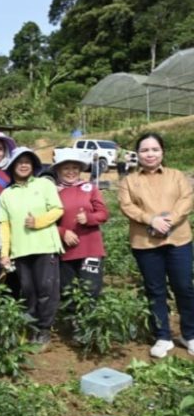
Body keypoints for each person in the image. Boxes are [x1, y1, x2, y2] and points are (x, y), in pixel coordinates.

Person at [118, 132, 194, 359]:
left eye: (154, 149)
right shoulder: (129, 181)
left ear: (162, 152)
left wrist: (170, 219)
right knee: (155, 289)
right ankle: (163, 336)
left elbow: (187, 199)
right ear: (137, 154)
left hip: (178, 239)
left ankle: (189, 334)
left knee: (184, 287)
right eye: (144, 150)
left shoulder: (176, 176)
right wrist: (151, 220)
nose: (150, 154)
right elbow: (126, 206)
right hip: (145, 243)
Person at [0, 147, 64, 347]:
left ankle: (44, 329)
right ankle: (34, 328)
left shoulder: (44, 184)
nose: (23, 165)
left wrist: (38, 222)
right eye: (19, 162)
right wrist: (4, 253)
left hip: (45, 246)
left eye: (27, 162)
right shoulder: (6, 194)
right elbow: (4, 225)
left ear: (33, 165)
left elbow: (57, 209)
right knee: (28, 291)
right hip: (20, 250)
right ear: (12, 166)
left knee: (46, 290)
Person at [53, 149, 108, 299]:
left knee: (91, 291)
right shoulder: (53, 192)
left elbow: (103, 214)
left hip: (91, 249)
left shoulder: (90, 188)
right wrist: (62, 232)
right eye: (66, 168)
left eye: (75, 168)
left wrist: (89, 218)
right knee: (68, 293)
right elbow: (47, 223)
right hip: (66, 251)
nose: (71, 172)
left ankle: (89, 316)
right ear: (58, 170)